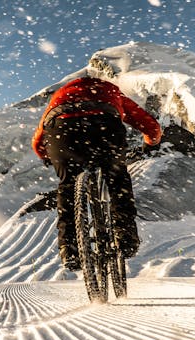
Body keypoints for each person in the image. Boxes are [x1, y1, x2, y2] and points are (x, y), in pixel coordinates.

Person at [31, 75, 162, 271]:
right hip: (104, 129)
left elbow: (39, 136)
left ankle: (69, 247)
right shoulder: (110, 92)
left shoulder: (60, 95)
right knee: (117, 180)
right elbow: (149, 125)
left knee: (67, 185)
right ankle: (125, 236)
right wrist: (150, 142)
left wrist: (45, 155)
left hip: (61, 134)